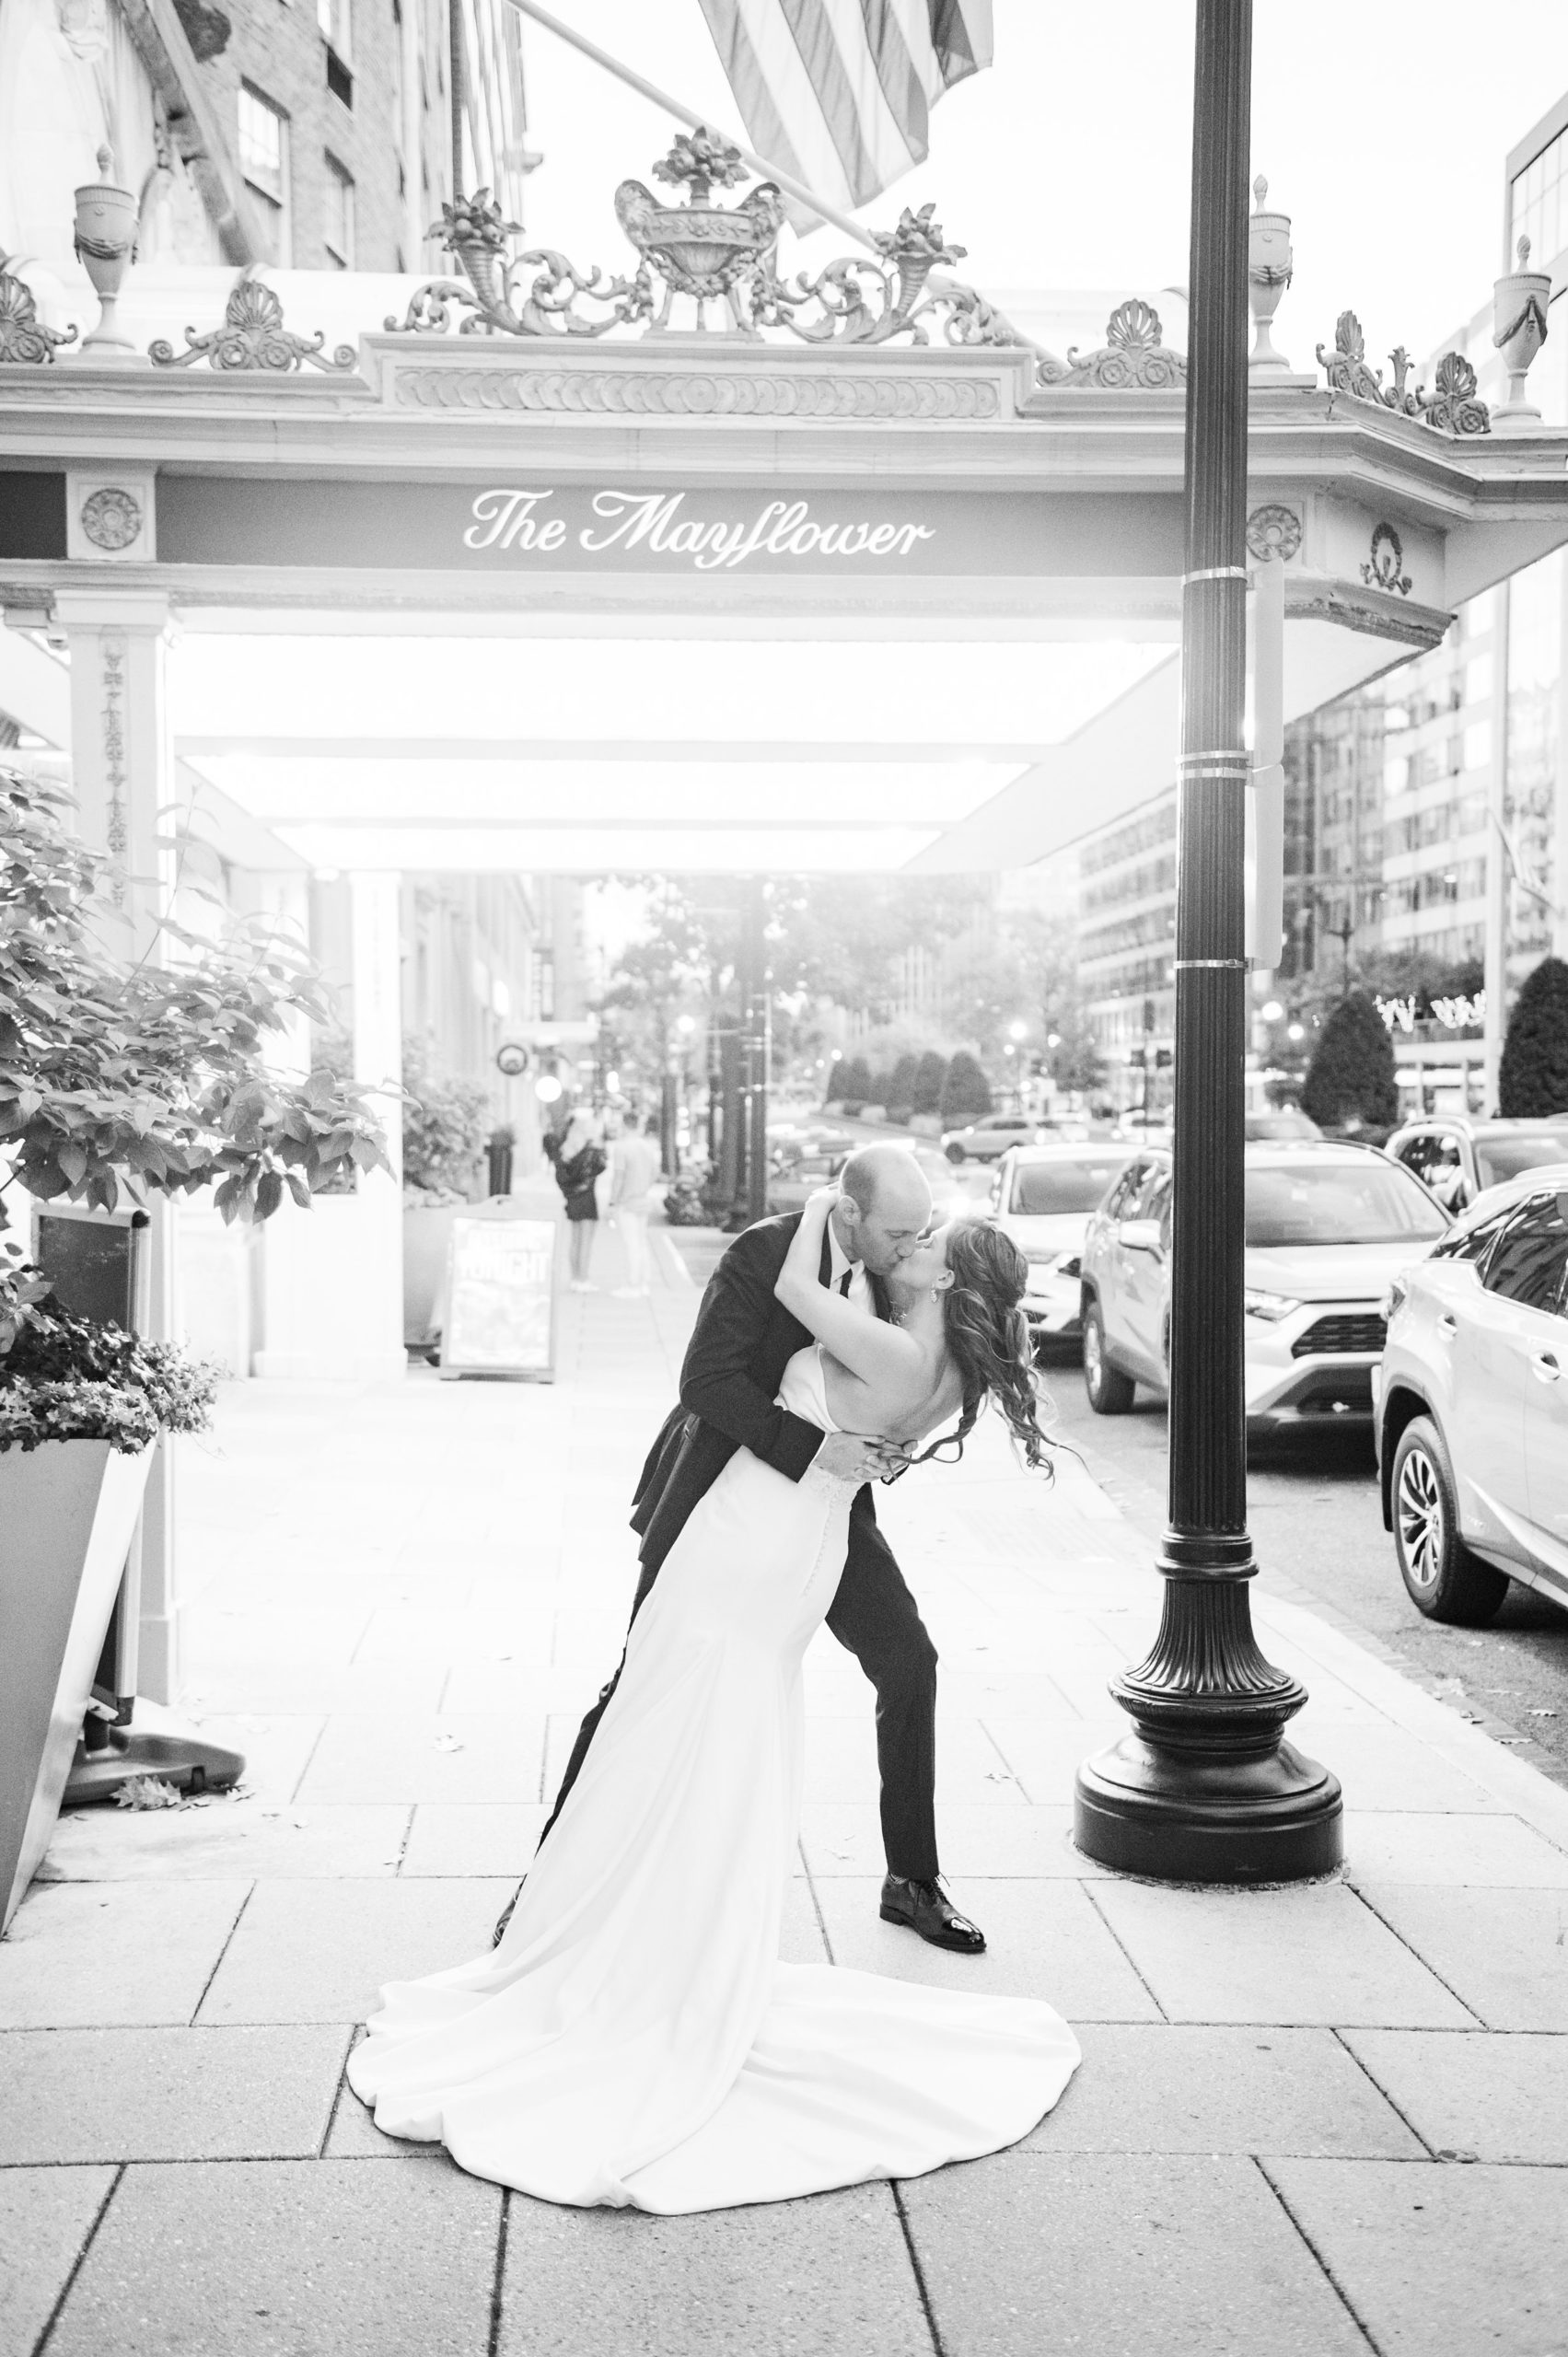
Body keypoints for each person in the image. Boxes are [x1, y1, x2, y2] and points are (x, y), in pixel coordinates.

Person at [347, 1155, 1079, 2212]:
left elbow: (899, 1385)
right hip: (727, 1497)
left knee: (905, 1660)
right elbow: (706, 1385)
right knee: (638, 1687)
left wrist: (859, 1456)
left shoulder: (898, 1286)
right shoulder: (760, 1253)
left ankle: (908, 1877)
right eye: (893, 1231)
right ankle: (555, 1884)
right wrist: (819, 1451)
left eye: (919, 1236)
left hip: (818, 1519)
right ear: (854, 1211)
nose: (900, 1247)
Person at [543, 1109, 607, 1292]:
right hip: (587, 1197)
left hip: (572, 1198)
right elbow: (600, 1167)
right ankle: (583, 1278)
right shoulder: (590, 1148)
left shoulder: (566, 1148)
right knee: (586, 1240)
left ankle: (574, 1278)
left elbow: (562, 1173)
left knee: (575, 1240)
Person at [609, 1111, 662, 1297]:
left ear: (624, 1124)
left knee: (630, 1244)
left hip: (627, 1201)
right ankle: (643, 1283)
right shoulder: (647, 1147)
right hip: (642, 1199)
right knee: (641, 1242)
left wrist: (612, 1201)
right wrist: (644, 1186)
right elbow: (655, 1172)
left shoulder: (621, 1148)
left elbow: (618, 1176)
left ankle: (632, 1283)